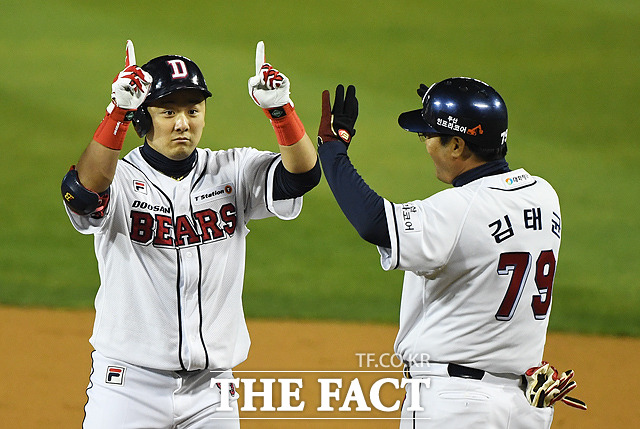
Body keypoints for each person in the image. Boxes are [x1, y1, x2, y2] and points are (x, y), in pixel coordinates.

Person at [61, 39, 320, 428]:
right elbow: (84, 193)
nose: (183, 123)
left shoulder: (232, 169)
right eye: (168, 111)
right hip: (129, 387)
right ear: (143, 119)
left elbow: (302, 176)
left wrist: (282, 113)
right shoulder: (123, 179)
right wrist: (115, 115)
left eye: (192, 110)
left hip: (212, 391)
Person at [316, 79, 585, 428]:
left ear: (457, 145)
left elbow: (374, 222)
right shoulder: (544, 196)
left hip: (457, 406)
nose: (426, 144)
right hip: (524, 406)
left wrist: (332, 150)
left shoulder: (457, 210)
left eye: (429, 134)